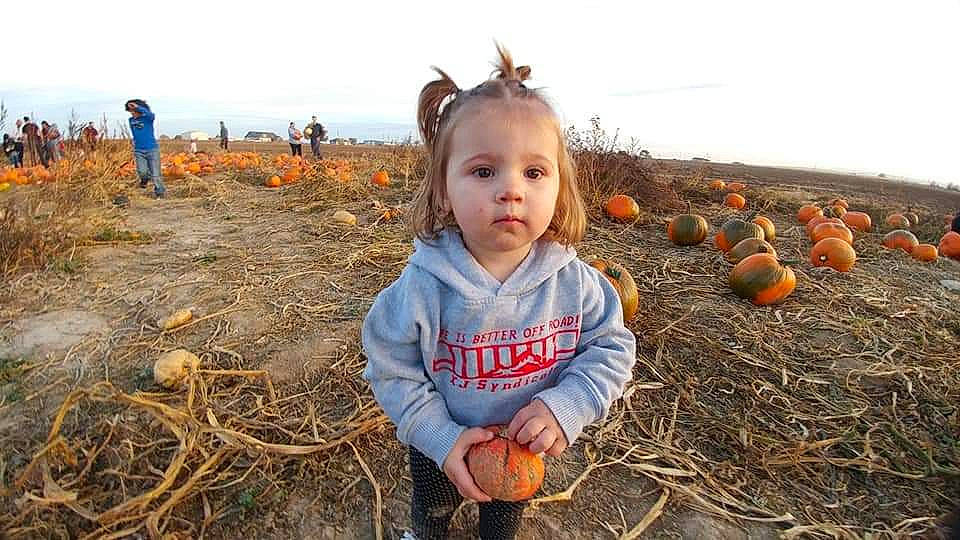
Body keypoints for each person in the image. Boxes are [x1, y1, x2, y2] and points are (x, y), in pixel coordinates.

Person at [361, 44, 637, 540]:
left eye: (534, 172)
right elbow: (389, 363)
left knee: (504, 520)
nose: (511, 189)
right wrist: (440, 438)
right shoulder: (423, 287)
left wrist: (567, 404)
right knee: (434, 512)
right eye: (484, 171)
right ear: (444, 188)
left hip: (522, 447)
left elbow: (612, 346)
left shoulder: (573, 283)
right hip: (441, 439)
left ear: (560, 188)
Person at [125, 99, 166, 198]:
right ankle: (144, 179)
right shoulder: (131, 121)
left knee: (156, 173)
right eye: (130, 112)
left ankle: (159, 192)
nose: (132, 114)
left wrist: (137, 106)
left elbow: (151, 115)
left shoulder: (148, 119)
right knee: (141, 171)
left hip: (152, 149)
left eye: (133, 111)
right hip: (139, 150)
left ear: (139, 110)